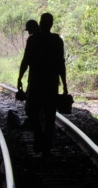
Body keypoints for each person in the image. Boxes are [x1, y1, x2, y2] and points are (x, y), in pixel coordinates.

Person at [17, 12, 68, 153]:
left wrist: (20, 78)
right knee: (50, 113)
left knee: (32, 110)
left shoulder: (33, 40)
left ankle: (39, 134)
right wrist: (64, 85)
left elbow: (26, 60)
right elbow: (60, 64)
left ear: (40, 23)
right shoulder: (57, 41)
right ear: (51, 24)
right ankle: (47, 143)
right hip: (51, 82)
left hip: (35, 81)